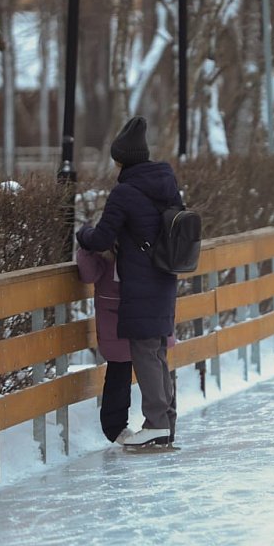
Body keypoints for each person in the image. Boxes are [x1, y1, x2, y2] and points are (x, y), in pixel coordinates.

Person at [76, 116, 183, 448]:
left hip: (138, 283)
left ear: (121, 159)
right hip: (165, 277)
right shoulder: (167, 185)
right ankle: (166, 422)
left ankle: (155, 423)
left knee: (145, 351)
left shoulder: (124, 192)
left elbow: (101, 237)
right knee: (157, 352)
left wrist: (82, 233)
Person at [77, 246, 176, 445]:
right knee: (128, 367)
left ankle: (160, 425)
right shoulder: (109, 243)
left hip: (141, 311)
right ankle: (133, 426)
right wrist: (87, 244)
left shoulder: (144, 238)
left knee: (153, 364)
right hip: (120, 313)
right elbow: (89, 273)